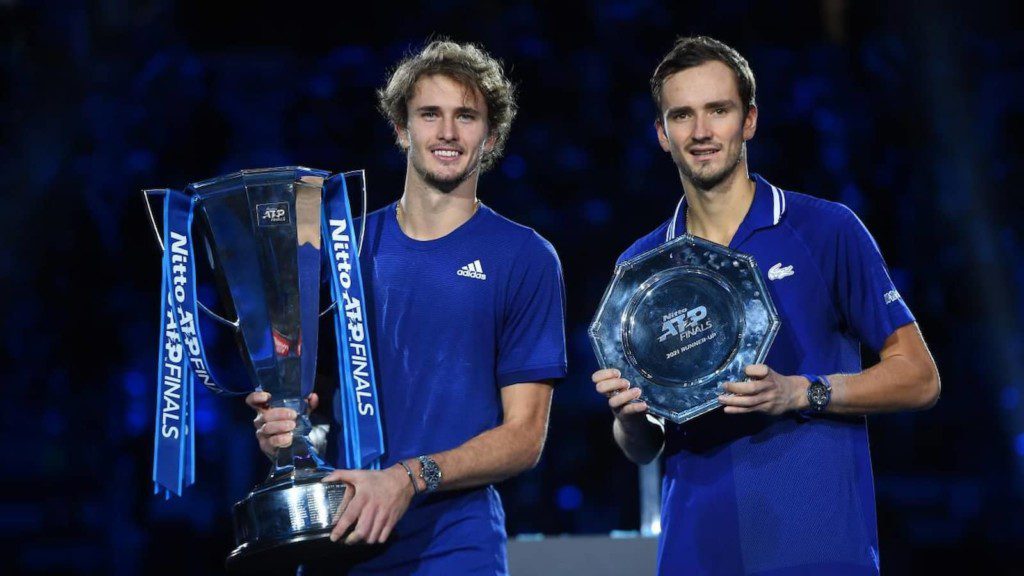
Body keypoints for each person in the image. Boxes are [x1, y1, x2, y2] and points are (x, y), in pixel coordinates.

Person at [592, 36, 940, 575]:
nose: (701, 131)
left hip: (819, 555)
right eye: (682, 115)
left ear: (749, 120)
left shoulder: (825, 230)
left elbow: (919, 378)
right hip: (696, 556)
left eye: (719, 110)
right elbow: (642, 447)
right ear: (662, 134)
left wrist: (799, 392)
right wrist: (630, 418)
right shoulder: (643, 268)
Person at [247, 40, 567, 575]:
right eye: (429, 115)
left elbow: (524, 437)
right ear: (402, 129)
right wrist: (286, 430)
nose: (447, 133)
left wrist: (409, 477)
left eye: (466, 116)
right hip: (339, 538)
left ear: (489, 136)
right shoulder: (339, 249)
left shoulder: (525, 257)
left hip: (455, 548)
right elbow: (312, 403)